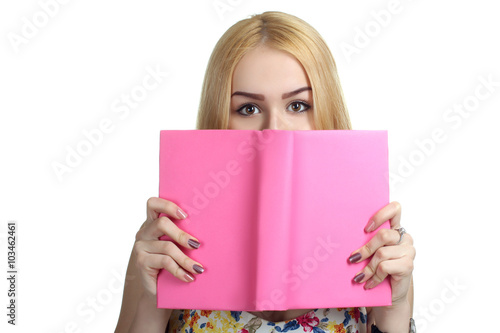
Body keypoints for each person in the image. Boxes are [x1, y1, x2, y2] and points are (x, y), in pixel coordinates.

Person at [115, 11, 416, 333]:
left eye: (298, 105)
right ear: (220, 118)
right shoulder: (167, 241)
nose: (274, 129)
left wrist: (395, 309)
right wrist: (151, 303)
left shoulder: (378, 246)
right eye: (248, 108)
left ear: (327, 110)